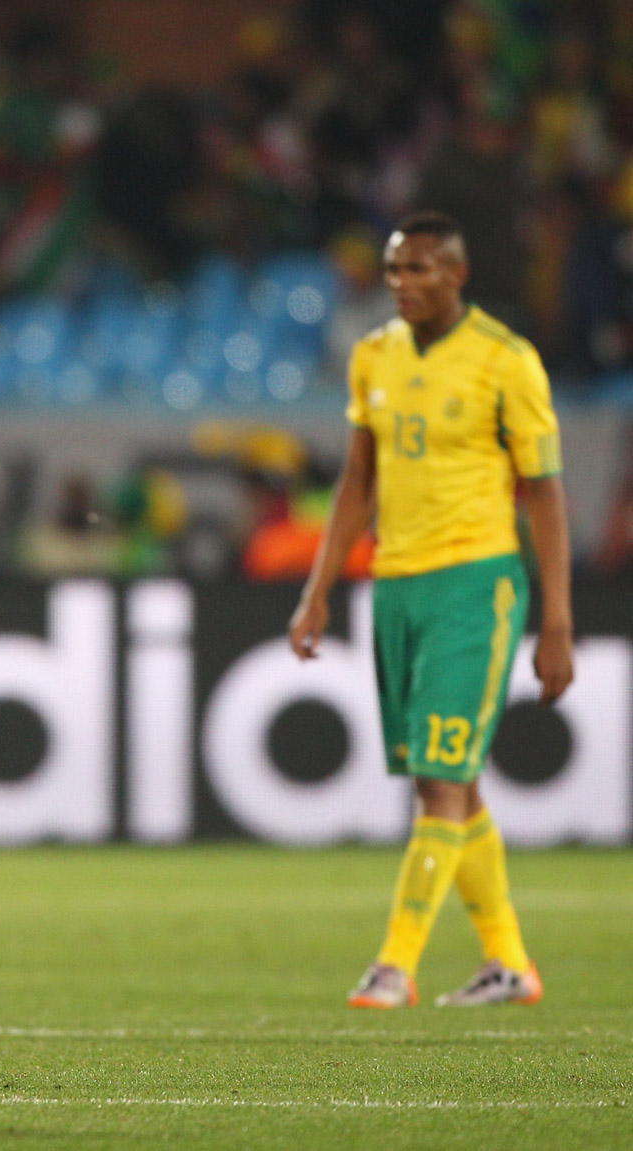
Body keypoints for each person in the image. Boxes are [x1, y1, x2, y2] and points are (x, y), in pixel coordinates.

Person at [289, 211, 573, 1010]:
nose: (401, 283)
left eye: (417, 269)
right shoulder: (373, 355)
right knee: (452, 780)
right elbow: (356, 479)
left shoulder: (506, 362)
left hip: (474, 583)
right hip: (397, 583)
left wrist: (556, 621)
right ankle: (509, 962)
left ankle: (394, 964)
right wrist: (317, 588)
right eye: (392, 270)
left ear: (457, 273)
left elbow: (546, 494)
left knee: (439, 779)